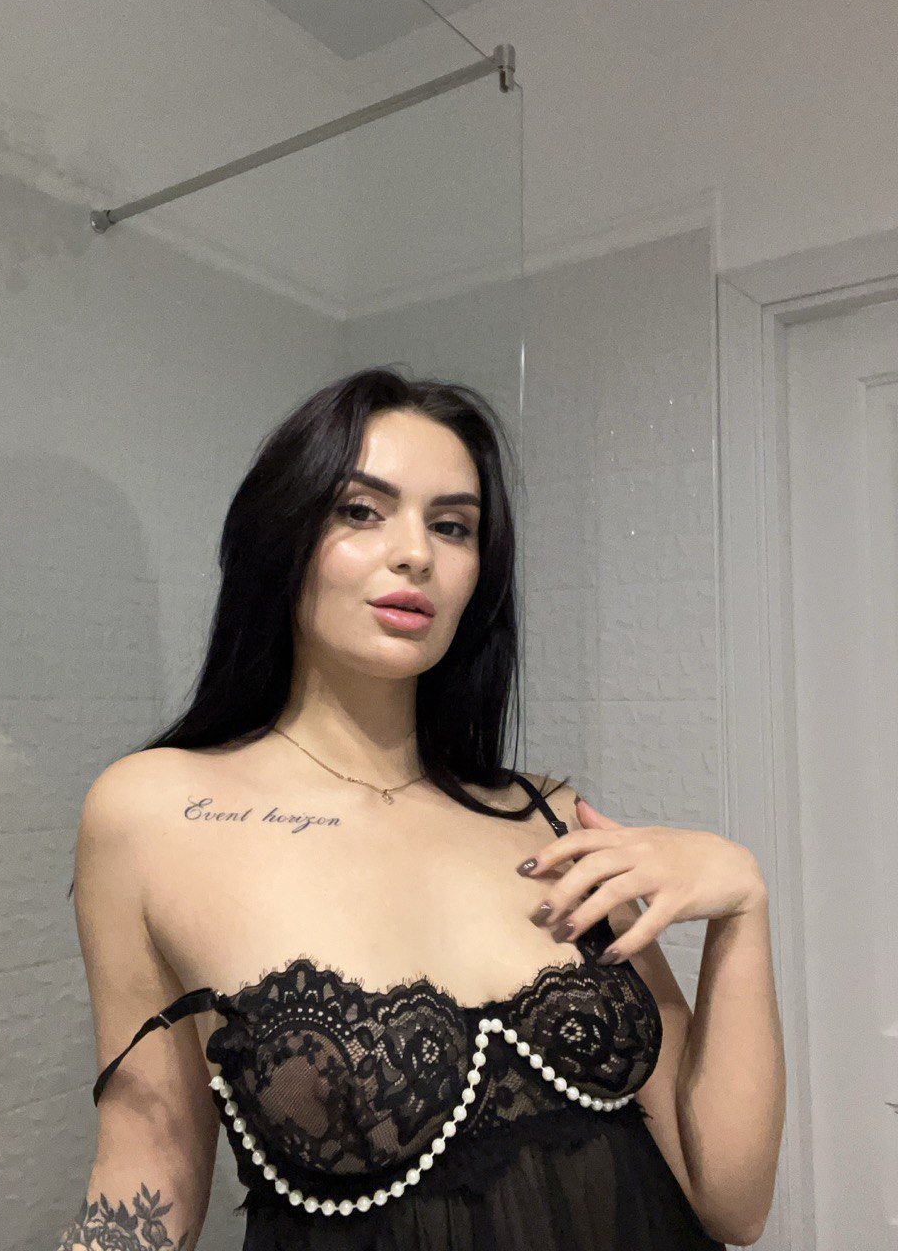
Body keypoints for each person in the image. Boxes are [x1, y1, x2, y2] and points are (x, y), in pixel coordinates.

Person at [58, 367, 782, 1250]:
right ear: (281, 537)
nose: (416, 554)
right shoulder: (155, 813)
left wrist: (743, 904)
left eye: (452, 526)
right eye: (361, 511)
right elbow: (147, 1169)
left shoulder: (553, 821)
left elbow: (730, 1201)